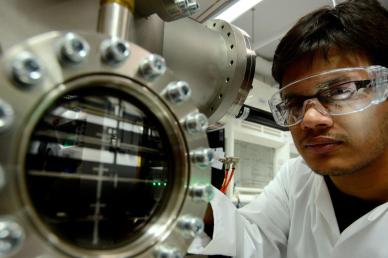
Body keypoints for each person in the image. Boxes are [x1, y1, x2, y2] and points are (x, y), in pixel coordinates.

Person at [189, 0, 388, 257]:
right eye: (295, 102)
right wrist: (186, 195)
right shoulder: (297, 178)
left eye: (340, 91)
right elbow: (252, 239)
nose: (310, 119)